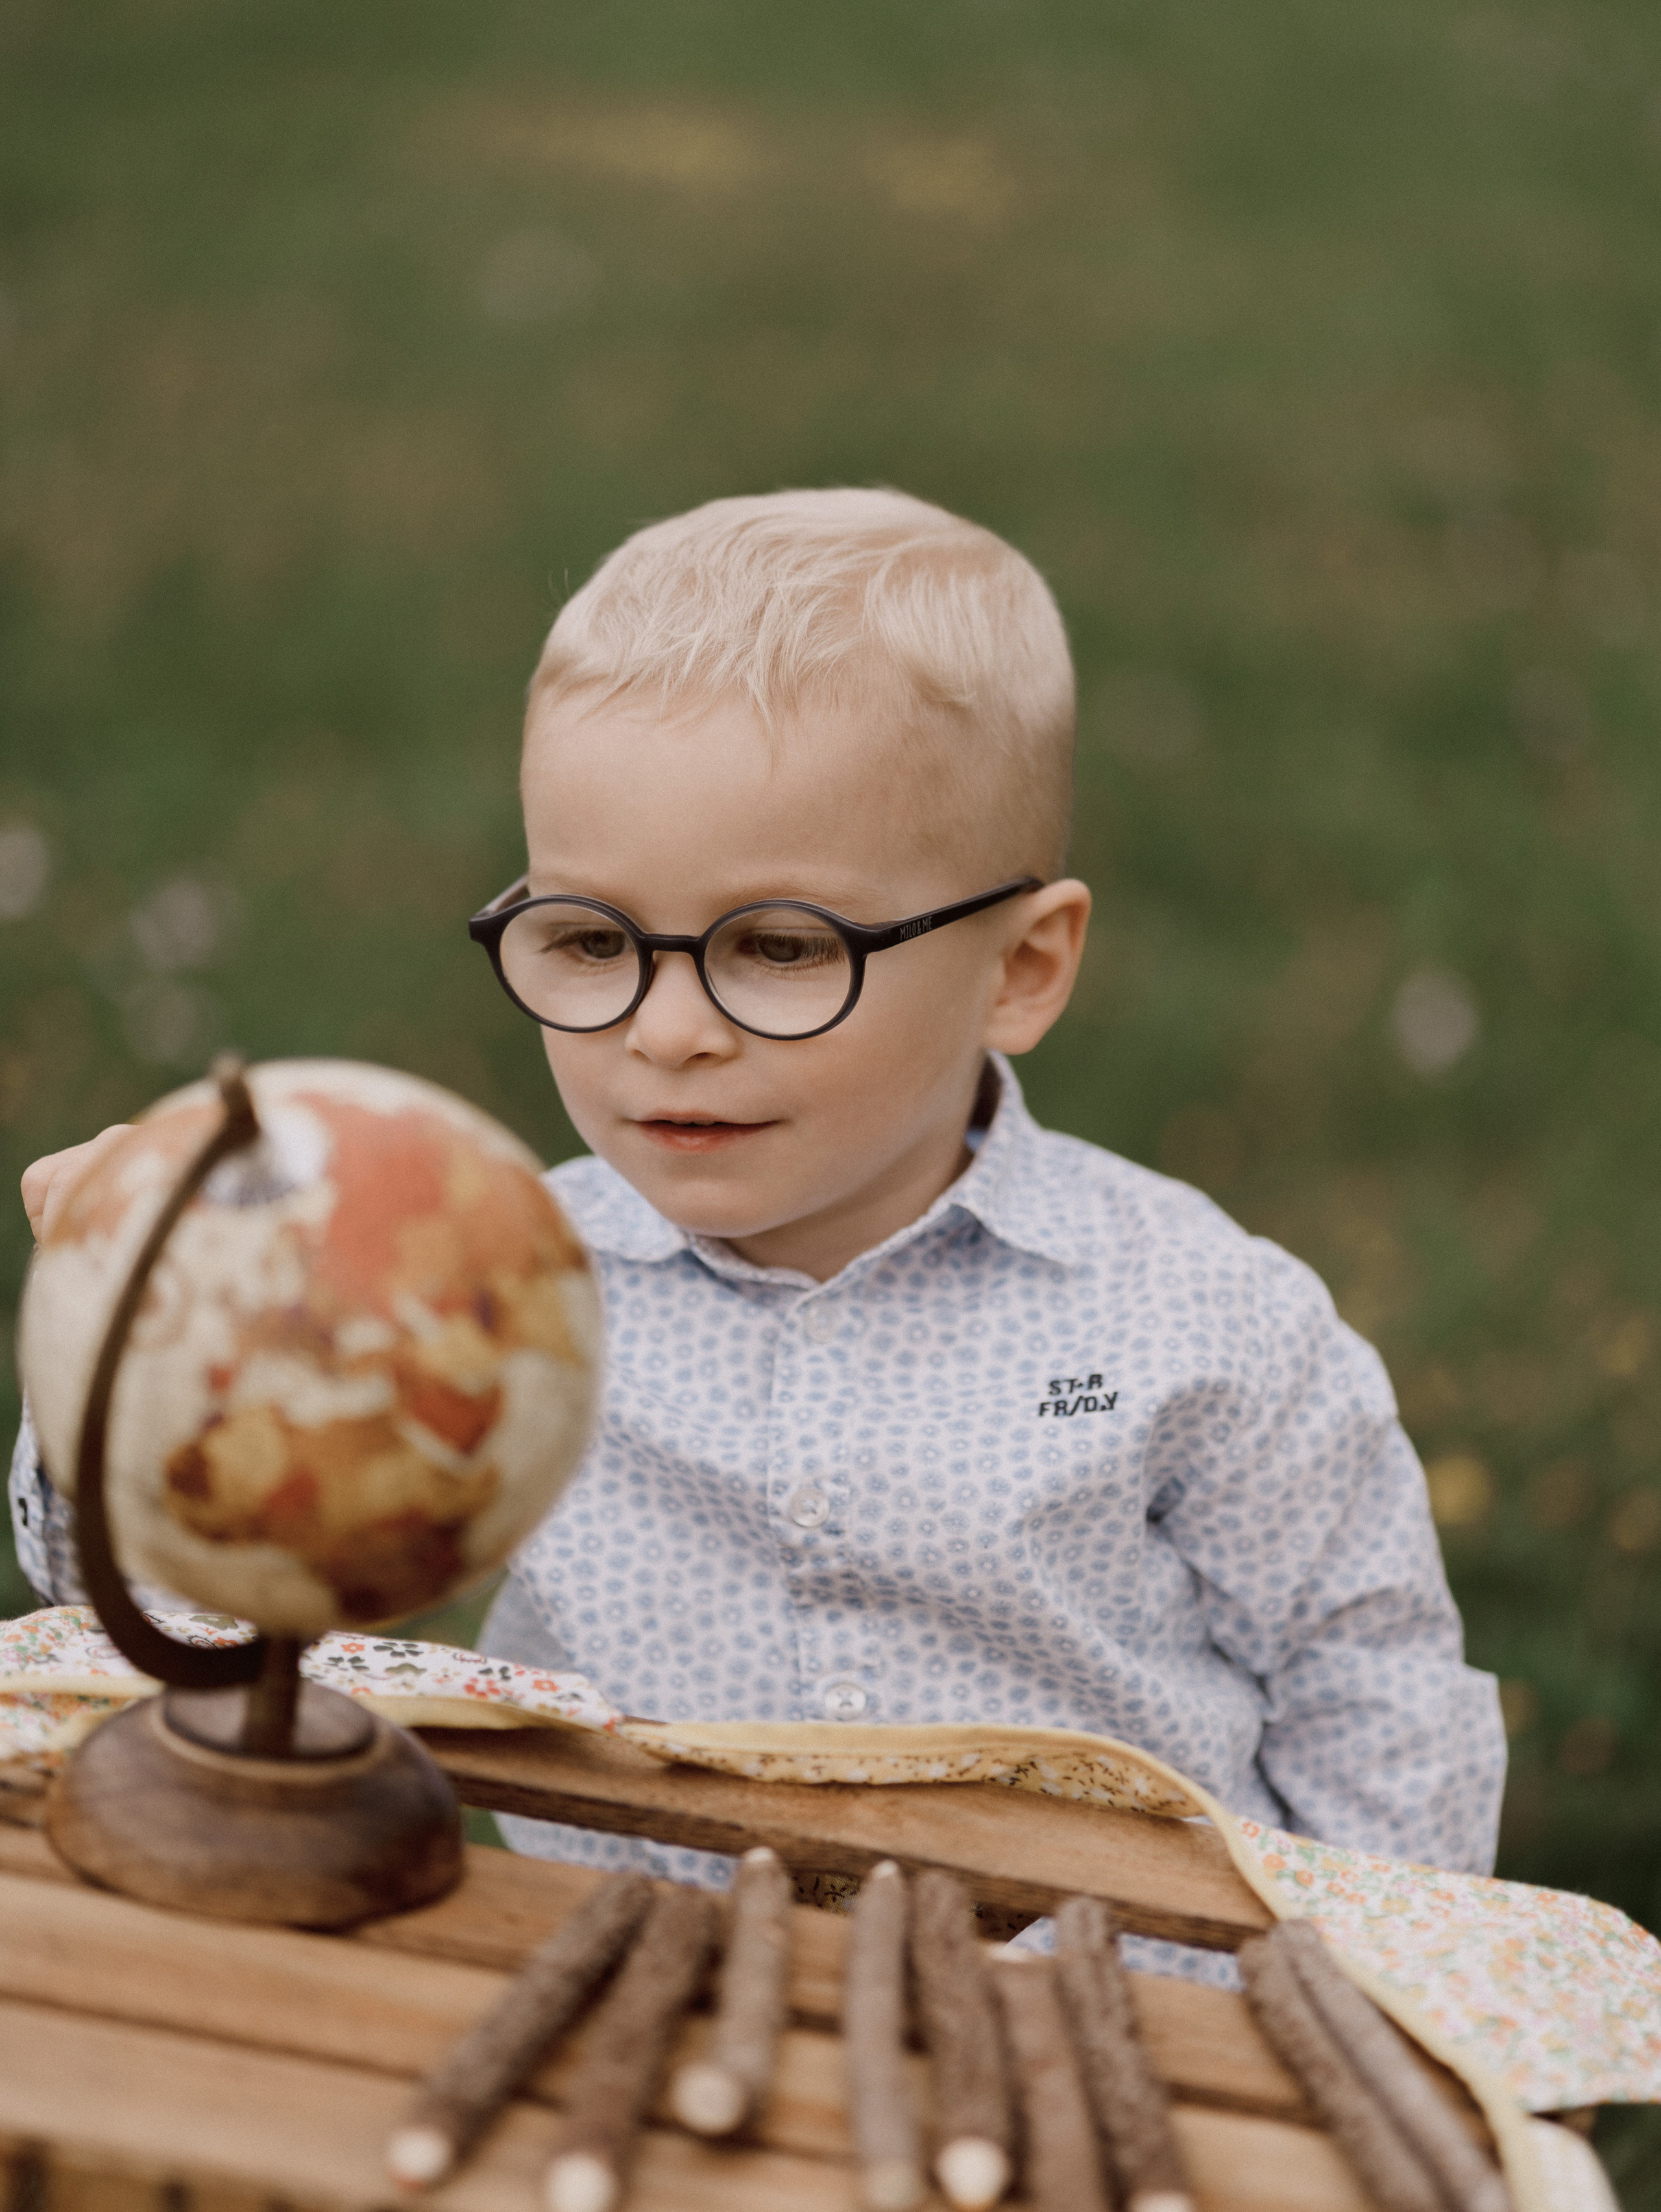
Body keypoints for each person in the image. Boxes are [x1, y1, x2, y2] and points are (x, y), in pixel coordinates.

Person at [11, 487, 1506, 1942]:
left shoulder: (1194, 1319)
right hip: (634, 2000)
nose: (665, 1031)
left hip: (1121, 2037)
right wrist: (132, 1356)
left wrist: (1366, 2016)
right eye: (591, 938)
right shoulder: (487, 1297)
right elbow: (208, 1632)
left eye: (781, 947)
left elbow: (1365, 1685)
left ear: (1021, 968)